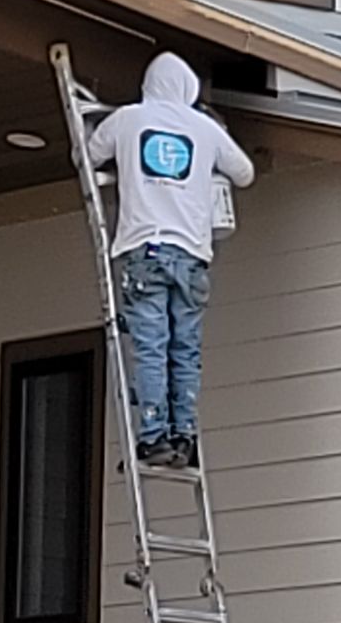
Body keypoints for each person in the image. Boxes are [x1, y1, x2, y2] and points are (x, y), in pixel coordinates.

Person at [87, 51, 255, 468]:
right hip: (193, 258)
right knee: (184, 350)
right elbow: (245, 173)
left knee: (150, 347)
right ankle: (184, 437)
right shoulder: (203, 129)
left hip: (147, 251)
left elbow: (87, 156)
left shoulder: (128, 118)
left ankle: (153, 437)